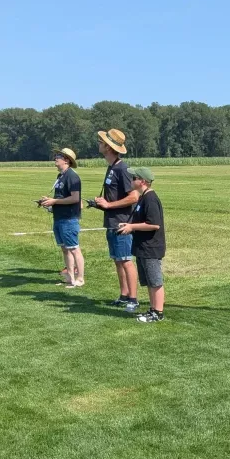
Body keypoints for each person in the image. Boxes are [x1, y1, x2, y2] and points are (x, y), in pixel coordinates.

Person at [93, 128, 140, 313]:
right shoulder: (112, 167)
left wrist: (109, 205)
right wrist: (101, 203)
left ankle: (133, 299)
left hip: (122, 222)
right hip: (112, 222)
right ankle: (123, 295)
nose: (99, 144)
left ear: (108, 147)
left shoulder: (122, 168)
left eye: (101, 141)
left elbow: (133, 196)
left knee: (126, 260)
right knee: (118, 260)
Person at [117, 167, 166, 323]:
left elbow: (154, 224)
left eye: (134, 178)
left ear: (142, 181)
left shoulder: (151, 199)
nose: (131, 181)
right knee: (149, 281)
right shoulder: (143, 197)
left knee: (155, 281)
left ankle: (158, 312)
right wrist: (128, 224)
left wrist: (132, 227)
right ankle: (152, 309)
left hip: (151, 247)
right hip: (143, 247)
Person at [40, 148, 85, 288]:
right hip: (59, 218)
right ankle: (70, 277)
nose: (55, 158)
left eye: (58, 156)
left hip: (69, 218)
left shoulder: (72, 176)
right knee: (65, 249)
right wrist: (49, 201)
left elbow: (75, 198)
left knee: (74, 248)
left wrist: (54, 202)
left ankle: (80, 278)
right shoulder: (60, 176)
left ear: (66, 160)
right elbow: (61, 197)